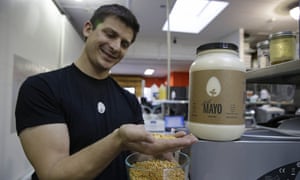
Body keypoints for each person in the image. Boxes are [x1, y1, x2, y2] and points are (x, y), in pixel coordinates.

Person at [15, 4, 198, 180]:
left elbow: (134, 158)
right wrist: (118, 140)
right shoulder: (42, 88)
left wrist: (154, 154)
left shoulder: (128, 100)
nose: (116, 46)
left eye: (124, 43)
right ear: (88, 29)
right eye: (110, 34)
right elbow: (53, 173)